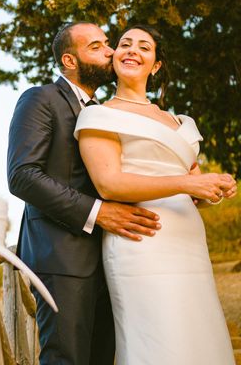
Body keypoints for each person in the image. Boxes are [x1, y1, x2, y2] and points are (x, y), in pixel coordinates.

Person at [74, 24, 236, 364]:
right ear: (115, 56)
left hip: (188, 240)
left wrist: (212, 189)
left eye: (144, 47)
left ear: (156, 65)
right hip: (141, 239)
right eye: (124, 44)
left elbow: (194, 188)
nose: (132, 50)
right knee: (158, 336)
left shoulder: (179, 121)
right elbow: (109, 183)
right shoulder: (100, 115)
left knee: (196, 332)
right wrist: (187, 183)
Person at [7, 22, 163, 365]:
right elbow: (22, 176)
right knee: (68, 359)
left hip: (113, 260)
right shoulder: (42, 99)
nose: (110, 51)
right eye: (96, 47)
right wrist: (98, 212)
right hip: (61, 260)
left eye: (107, 43)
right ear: (70, 60)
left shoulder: (107, 113)